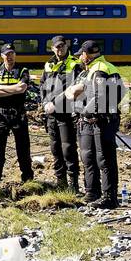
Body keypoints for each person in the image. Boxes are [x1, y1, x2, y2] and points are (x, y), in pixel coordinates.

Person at [65, 40, 125, 208]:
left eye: (81, 55)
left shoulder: (99, 70)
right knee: (89, 157)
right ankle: (92, 193)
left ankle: (109, 198)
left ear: (86, 54)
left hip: (101, 121)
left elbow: (101, 97)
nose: (80, 58)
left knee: (104, 160)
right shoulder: (98, 68)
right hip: (92, 121)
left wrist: (89, 113)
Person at [0, 43, 33, 187]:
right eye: (7, 54)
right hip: (1, 115)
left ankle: (28, 180)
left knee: (23, 149)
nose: (9, 57)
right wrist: (13, 89)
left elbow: (22, 88)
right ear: (2, 56)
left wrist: (1, 88)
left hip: (18, 114)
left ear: (15, 55)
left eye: (12, 53)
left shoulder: (23, 70)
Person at [40, 34, 81, 192]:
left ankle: (73, 184)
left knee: (68, 148)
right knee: (55, 148)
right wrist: (44, 103)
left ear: (67, 46)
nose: (60, 49)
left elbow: (75, 89)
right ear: (52, 48)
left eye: (62, 46)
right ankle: (61, 181)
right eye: (57, 47)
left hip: (67, 112)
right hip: (50, 114)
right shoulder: (48, 65)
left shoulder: (74, 64)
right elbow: (42, 85)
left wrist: (55, 103)